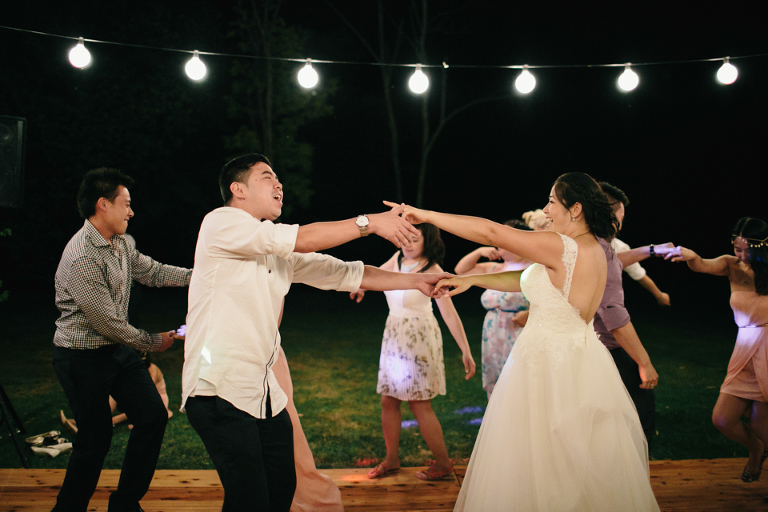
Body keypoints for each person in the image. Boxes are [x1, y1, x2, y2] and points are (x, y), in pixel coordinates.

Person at [180, 153, 451, 512]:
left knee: (282, 486)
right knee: (249, 499)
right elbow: (305, 239)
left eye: (278, 177)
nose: (279, 184)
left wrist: (417, 280)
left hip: (263, 394)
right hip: (219, 389)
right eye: (266, 177)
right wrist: (369, 223)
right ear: (238, 189)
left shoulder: (275, 248)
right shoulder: (221, 222)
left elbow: (350, 274)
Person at [387, 172, 660, 511]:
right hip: (583, 360)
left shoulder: (563, 247)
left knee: (543, 460)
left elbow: (491, 232)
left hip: (547, 366)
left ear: (575, 209)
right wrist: (472, 280)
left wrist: (427, 215)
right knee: (577, 460)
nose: (546, 210)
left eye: (551, 202)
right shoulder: (597, 248)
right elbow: (530, 279)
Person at [51, 167, 192, 512]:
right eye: (126, 204)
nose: (131, 211)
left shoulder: (121, 243)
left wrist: (200, 277)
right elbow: (108, 324)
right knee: (94, 441)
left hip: (117, 353)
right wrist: (153, 342)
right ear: (103, 205)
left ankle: (125, 504)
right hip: (82, 358)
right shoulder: (83, 256)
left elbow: (153, 271)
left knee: (153, 416)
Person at [351, 223, 476, 481]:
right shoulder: (397, 259)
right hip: (394, 337)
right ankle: (392, 459)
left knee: (419, 404)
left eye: (415, 239)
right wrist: (361, 286)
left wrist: (465, 349)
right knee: (388, 400)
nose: (407, 243)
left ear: (428, 242)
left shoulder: (432, 270)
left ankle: (443, 465)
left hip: (419, 339)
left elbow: (449, 313)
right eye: (405, 237)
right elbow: (376, 275)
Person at [664, 217, 768, 482]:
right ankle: (755, 448)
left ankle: (759, 452)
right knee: (723, 418)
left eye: (749, 250)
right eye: (738, 249)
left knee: (760, 423)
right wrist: (690, 256)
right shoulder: (730, 265)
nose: (743, 256)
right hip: (744, 348)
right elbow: (701, 265)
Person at [454, 219, 531, 399]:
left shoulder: (532, 267)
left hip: (517, 330)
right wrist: (480, 251)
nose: (498, 242)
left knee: (518, 381)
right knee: (496, 381)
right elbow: (461, 270)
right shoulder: (495, 268)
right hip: (493, 331)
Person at [598, 182, 671, 307]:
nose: (620, 227)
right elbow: (601, 263)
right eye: (620, 219)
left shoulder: (619, 248)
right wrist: (653, 250)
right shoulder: (567, 242)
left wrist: (659, 295)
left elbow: (639, 274)